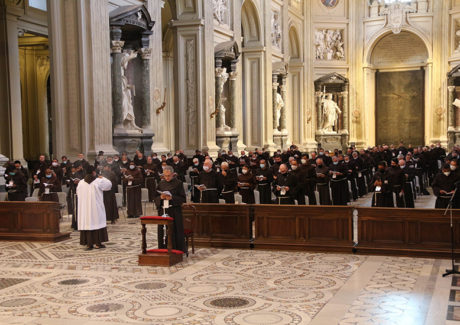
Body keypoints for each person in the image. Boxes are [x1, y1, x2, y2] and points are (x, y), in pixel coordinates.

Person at [77, 166, 113, 250]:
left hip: (85, 208)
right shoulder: (98, 181)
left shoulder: (81, 183)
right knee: (97, 223)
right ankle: (97, 243)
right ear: (94, 172)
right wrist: (102, 177)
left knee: (88, 223)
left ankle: (89, 244)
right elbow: (109, 185)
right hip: (96, 208)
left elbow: (78, 193)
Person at [153, 165, 186, 252]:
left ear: (173, 174)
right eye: (165, 176)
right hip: (163, 210)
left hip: (174, 211)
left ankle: (176, 250)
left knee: (174, 231)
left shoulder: (178, 183)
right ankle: (163, 248)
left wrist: (172, 198)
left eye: (168, 176)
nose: (166, 178)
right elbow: (155, 197)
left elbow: (183, 199)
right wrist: (160, 197)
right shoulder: (161, 183)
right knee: (162, 231)